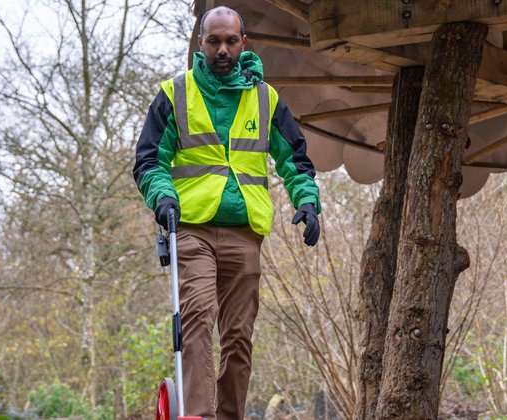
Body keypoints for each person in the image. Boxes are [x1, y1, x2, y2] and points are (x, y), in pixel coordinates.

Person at [132, 5, 321, 420]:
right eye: (214, 41)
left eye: (230, 41)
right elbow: (149, 161)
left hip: (244, 232)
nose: (222, 49)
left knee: (238, 335)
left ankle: (229, 415)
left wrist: (306, 200)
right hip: (191, 229)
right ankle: (197, 415)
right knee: (198, 316)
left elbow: (295, 158)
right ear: (201, 43)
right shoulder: (174, 94)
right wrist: (162, 196)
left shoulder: (266, 99)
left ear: (243, 43)